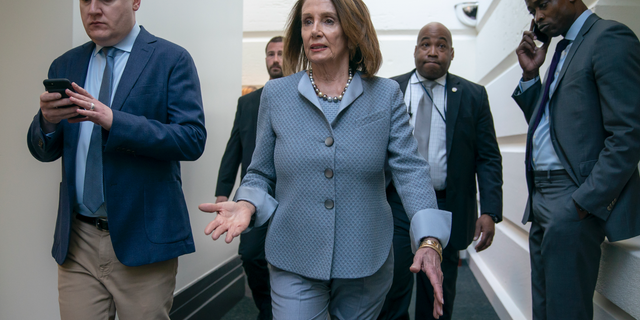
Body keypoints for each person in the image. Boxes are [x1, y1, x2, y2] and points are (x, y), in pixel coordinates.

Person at [199, 0, 452, 319]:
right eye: (307, 22)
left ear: (352, 30)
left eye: (328, 21)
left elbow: (411, 171)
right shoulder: (276, 95)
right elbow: (260, 173)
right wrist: (247, 204)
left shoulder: (385, 95)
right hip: (294, 251)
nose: (315, 30)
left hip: (366, 256)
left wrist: (430, 239)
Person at [26, 0, 206, 319]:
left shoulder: (171, 59)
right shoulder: (64, 65)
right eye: (85, 0)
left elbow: (192, 139)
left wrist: (114, 120)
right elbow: (43, 150)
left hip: (144, 239)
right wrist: (47, 122)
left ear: (136, 2)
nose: (93, 9)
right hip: (77, 240)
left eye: (106, 0)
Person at [513, 0, 640, 318]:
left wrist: (586, 201)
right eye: (532, 12)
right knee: (544, 308)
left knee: (566, 310)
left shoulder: (608, 38)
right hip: (542, 196)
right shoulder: (562, 49)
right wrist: (531, 75)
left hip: (572, 198)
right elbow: (550, 128)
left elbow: (628, 134)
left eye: (542, 4)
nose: (538, 17)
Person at [379, 22, 503, 320]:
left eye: (442, 45)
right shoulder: (388, 91)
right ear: (415, 50)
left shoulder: (473, 96)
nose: (433, 51)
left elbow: (488, 157)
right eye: (425, 44)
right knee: (391, 285)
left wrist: (490, 210)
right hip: (396, 206)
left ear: (452, 53)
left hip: (447, 205)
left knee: (437, 290)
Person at [215, 35, 284, 320]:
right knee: (252, 254)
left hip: (293, 195)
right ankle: (268, 310)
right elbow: (234, 148)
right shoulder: (247, 103)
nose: (276, 59)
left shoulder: (304, 98)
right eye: (271, 54)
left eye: (281, 53)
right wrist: (223, 191)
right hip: (254, 196)